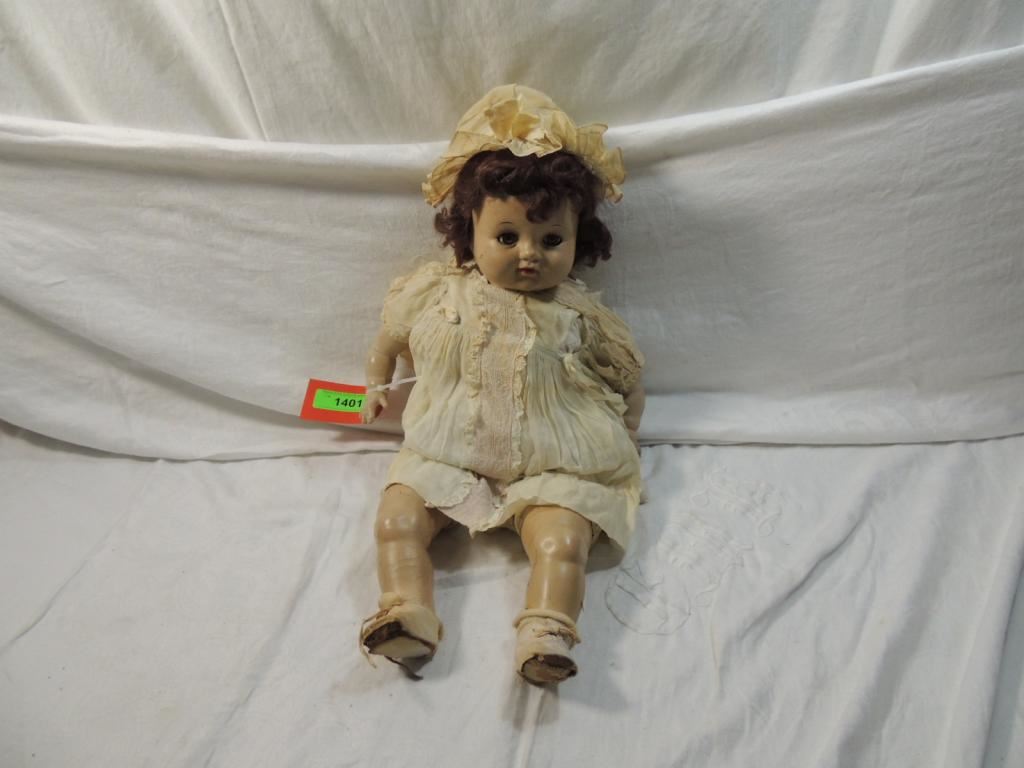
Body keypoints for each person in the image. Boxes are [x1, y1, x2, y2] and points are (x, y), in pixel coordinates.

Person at [359, 84, 645, 685]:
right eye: (507, 237)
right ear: (471, 228)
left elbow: (629, 377)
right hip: (447, 451)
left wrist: (630, 433)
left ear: (578, 238)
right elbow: (388, 340)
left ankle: (547, 630)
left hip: (554, 458)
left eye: (551, 239)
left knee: (561, 539)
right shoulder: (438, 292)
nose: (529, 255)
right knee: (396, 520)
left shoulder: (578, 315)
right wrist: (373, 385)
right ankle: (405, 610)